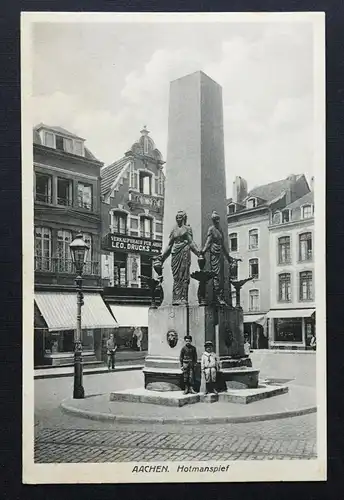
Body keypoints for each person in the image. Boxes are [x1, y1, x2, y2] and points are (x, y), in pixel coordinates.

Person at [160, 210, 200, 305]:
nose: (178, 219)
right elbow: (169, 245)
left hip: (184, 251)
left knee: (184, 275)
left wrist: (198, 253)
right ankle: (176, 297)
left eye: (180, 217)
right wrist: (162, 257)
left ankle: (183, 297)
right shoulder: (174, 230)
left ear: (184, 218)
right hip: (175, 253)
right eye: (177, 217)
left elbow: (191, 242)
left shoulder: (187, 229)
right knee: (176, 276)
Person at [201, 211, 237, 305]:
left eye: (218, 219)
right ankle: (217, 296)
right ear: (213, 221)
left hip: (220, 254)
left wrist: (228, 257)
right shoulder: (211, 229)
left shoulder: (220, 229)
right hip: (214, 254)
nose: (217, 221)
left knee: (221, 276)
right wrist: (203, 252)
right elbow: (208, 242)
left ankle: (220, 296)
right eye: (215, 220)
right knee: (216, 275)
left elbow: (223, 244)